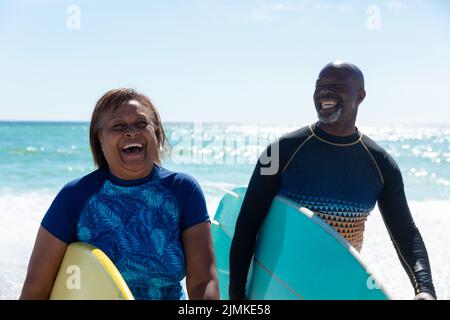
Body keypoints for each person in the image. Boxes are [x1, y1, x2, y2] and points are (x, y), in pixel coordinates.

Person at [229, 61, 436, 300]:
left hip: (339, 288)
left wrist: (425, 289)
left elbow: (405, 233)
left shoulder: (381, 165)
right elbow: (247, 225)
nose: (325, 92)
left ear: (360, 96)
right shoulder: (279, 152)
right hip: (282, 286)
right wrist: (237, 296)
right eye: (320, 86)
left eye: (337, 85)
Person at [20, 88, 219, 300]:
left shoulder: (182, 190)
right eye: (118, 126)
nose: (132, 131)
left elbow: (203, 281)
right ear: (100, 140)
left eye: (142, 123)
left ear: (157, 133)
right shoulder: (75, 197)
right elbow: (36, 289)